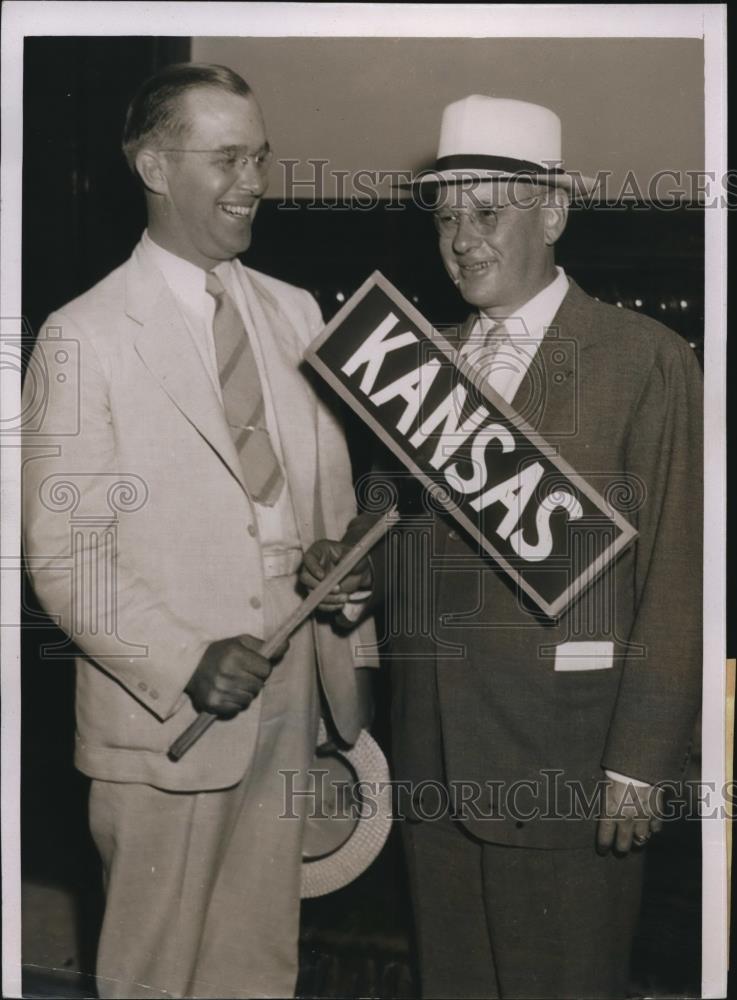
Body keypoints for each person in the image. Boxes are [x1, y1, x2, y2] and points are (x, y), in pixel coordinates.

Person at [300, 95, 703, 999]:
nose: (462, 240)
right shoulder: (418, 362)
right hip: (434, 750)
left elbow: (679, 575)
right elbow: (397, 536)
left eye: (488, 213)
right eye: (446, 216)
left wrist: (639, 764)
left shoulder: (643, 358)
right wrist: (353, 574)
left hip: (567, 759)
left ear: (553, 213)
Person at [22, 62, 375, 1000]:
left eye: (258, 155)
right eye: (225, 158)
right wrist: (183, 662)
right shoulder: (79, 336)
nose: (253, 180)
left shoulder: (296, 312)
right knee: (155, 973)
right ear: (151, 165)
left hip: (293, 700)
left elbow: (325, 513)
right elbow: (64, 559)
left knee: (258, 968)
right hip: (171, 716)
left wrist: (334, 575)